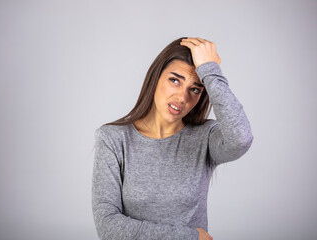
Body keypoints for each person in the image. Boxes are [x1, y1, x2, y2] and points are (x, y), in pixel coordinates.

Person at [91, 37, 253, 240]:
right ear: (156, 76)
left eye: (194, 89)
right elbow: (108, 227)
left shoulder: (206, 137)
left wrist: (210, 70)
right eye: (175, 80)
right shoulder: (113, 139)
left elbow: (241, 138)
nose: (182, 97)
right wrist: (190, 237)